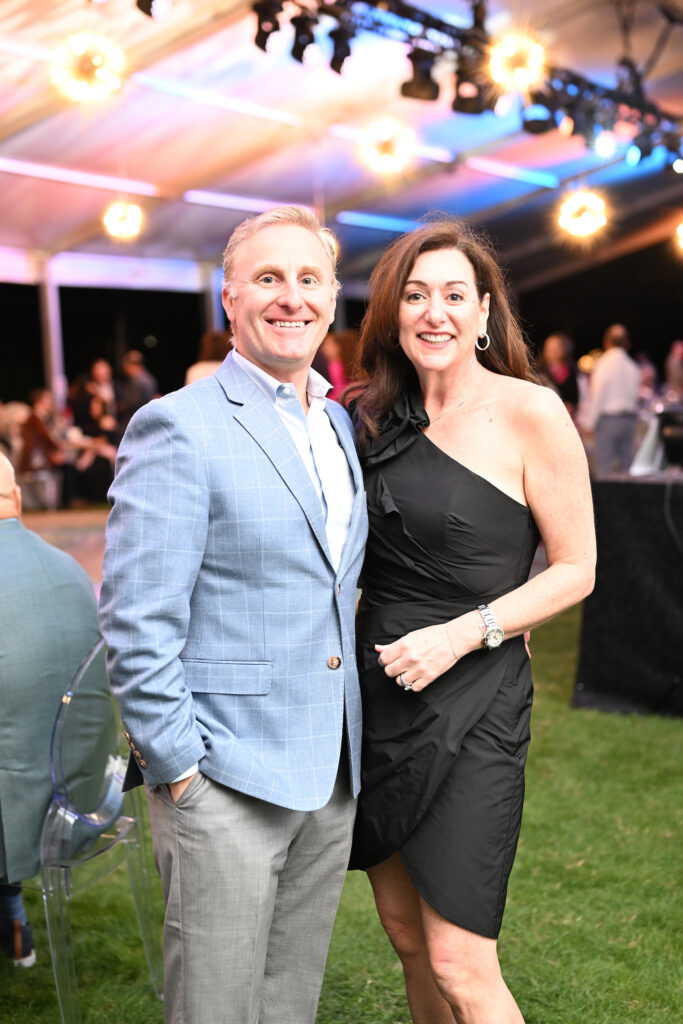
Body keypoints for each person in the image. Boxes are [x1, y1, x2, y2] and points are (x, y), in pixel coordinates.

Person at [99, 205, 368, 1024]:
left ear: (330, 298)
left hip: (329, 770)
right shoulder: (178, 426)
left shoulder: (337, 422)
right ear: (229, 299)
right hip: (222, 775)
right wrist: (181, 769)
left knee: (290, 999)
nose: (290, 298)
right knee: (215, 1006)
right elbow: (135, 620)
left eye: (308, 279)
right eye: (267, 279)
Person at [346, 218, 596, 1024]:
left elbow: (576, 569)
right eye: (414, 295)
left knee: (459, 959)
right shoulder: (368, 420)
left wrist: (466, 631)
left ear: (484, 313)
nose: (434, 311)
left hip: (475, 697)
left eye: (455, 294)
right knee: (404, 936)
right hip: (380, 697)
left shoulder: (531, 412)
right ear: (391, 314)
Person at [0, 453, 99, 967]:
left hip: (12, 814)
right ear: (15, 498)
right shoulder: (70, 569)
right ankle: (13, 918)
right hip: (80, 797)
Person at [585, 323, 641, 477]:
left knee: (604, 469)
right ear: (626, 343)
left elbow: (598, 395)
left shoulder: (604, 364)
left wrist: (590, 422)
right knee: (626, 470)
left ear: (606, 342)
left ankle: (606, 502)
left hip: (608, 421)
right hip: (628, 421)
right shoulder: (632, 366)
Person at [536, 331, 580, 419]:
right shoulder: (538, 372)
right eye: (548, 348)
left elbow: (578, 398)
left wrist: (572, 406)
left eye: (555, 348)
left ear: (564, 350)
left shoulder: (573, 371)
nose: (551, 351)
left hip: (569, 418)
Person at [116, 349, 158, 433]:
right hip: (149, 419)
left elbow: (132, 404)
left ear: (129, 365)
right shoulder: (149, 378)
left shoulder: (136, 381)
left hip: (137, 422)